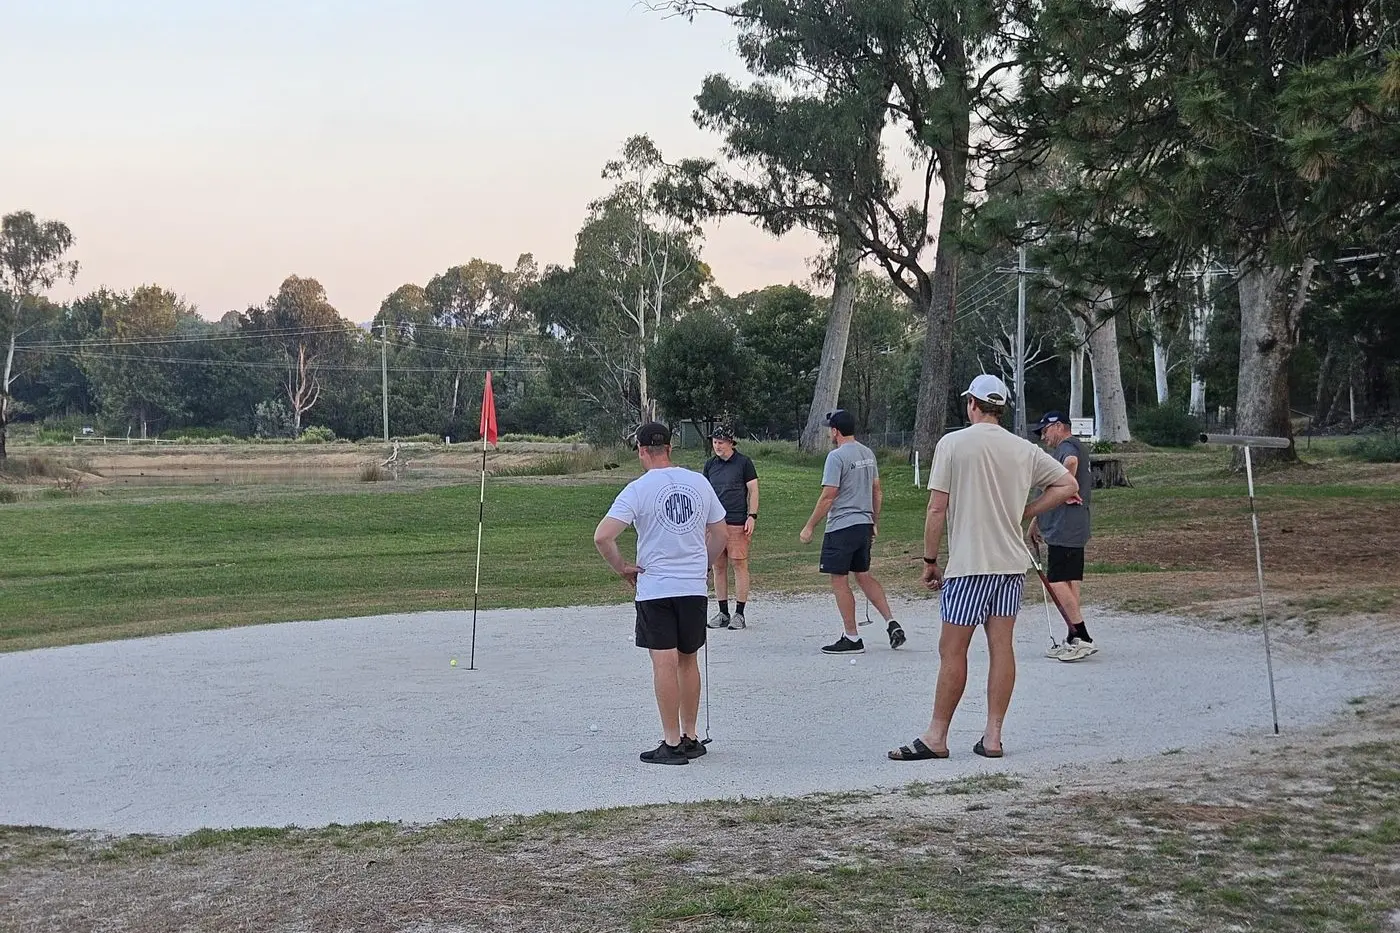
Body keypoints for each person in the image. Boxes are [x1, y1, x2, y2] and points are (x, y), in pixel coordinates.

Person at [887, 375, 1078, 762]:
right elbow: (1067, 483)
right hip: (1010, 564)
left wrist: (929, 560)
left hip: (969, 565)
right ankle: (993, 736)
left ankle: (937, 735)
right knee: (1001, 646)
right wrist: (1028, 510)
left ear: (972, 403)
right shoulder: (1022, 449)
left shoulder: (953, 444)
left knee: (952, 650)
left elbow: (937, 508)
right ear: (1001, 407)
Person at [594, 422, 727, 766]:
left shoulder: (638, 489)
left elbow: (603, 536)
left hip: (656, 587)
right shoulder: (699, 482)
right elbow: (720, 533)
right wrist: (704, 564)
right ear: (670, 448)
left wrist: (623, 567)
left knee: (663, 662)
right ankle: (691, 735)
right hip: (692, 586)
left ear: (641, 450)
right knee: (688, 659)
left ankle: (670, 741)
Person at [799, 409, 905, 655]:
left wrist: (809, 526)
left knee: (839, 580)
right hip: (864, 524)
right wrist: (874, 521)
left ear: (835, 431)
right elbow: (877, 491)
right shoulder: (867, 453)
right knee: (864, 575)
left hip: (842, 526)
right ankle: (891, 622)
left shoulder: (836, 457)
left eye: (830, 428)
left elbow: (828, 496)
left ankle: (852, 637)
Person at [1028, 410, 1098, 661]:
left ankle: (1083, 636)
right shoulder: (1070, 447)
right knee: (1069, 581)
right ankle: (1073, 636)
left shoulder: (1068, 446)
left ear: (1058, 427)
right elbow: (1052, 494)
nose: (1043, 437)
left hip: (1066, 526)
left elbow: (1070, 465)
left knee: (1057, 580)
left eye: (1045, 431)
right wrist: (1036, 522)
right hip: (1068, 525)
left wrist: (1069, 485)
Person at [702, 425, 759, 631]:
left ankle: (740, 613)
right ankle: (723, 611)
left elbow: (753, 490)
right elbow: (705, 493)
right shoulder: (710, 465)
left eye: (721, 442)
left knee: (739, 564)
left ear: (731, 443)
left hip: (737, 521)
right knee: (718, 566)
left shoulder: (744, 463)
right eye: (715, 442)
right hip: (715, 523)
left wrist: (751, 516)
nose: (717, 446)